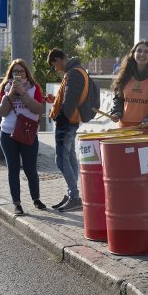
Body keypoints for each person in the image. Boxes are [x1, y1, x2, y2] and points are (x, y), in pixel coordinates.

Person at [0, 59, 46, 215]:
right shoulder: (5, 88)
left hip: (28, 133)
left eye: (21, 71)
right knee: (13, 169)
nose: (18, 74)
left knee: (30, 168)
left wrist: (23, 94)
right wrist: (10, 94)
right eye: (15, 71)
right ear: (11, 73)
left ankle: (36, 198)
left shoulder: (34, 87)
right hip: (8, 133)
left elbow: (38, 108)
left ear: (26, 73)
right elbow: (2, 112)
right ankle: (17, 203)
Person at [46, 49, 86, 212]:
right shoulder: (75, 71)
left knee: (61, 160)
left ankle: (75, 197)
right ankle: (71, 193)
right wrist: (55, 101)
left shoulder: (73, 73)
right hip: (71, 121)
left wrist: (59, 117)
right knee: (69, 157)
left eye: (54, 64)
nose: (56, 68)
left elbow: (70, 101)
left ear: (58, 59)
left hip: (67, 123)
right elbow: (70, 98)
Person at [109, 40, 148, 134]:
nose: (142, 54)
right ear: (133, 54)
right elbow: (119, 99)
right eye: (139, 51)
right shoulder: (124, 75)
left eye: (146, 52)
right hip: (125, 129)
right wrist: (116, 112)